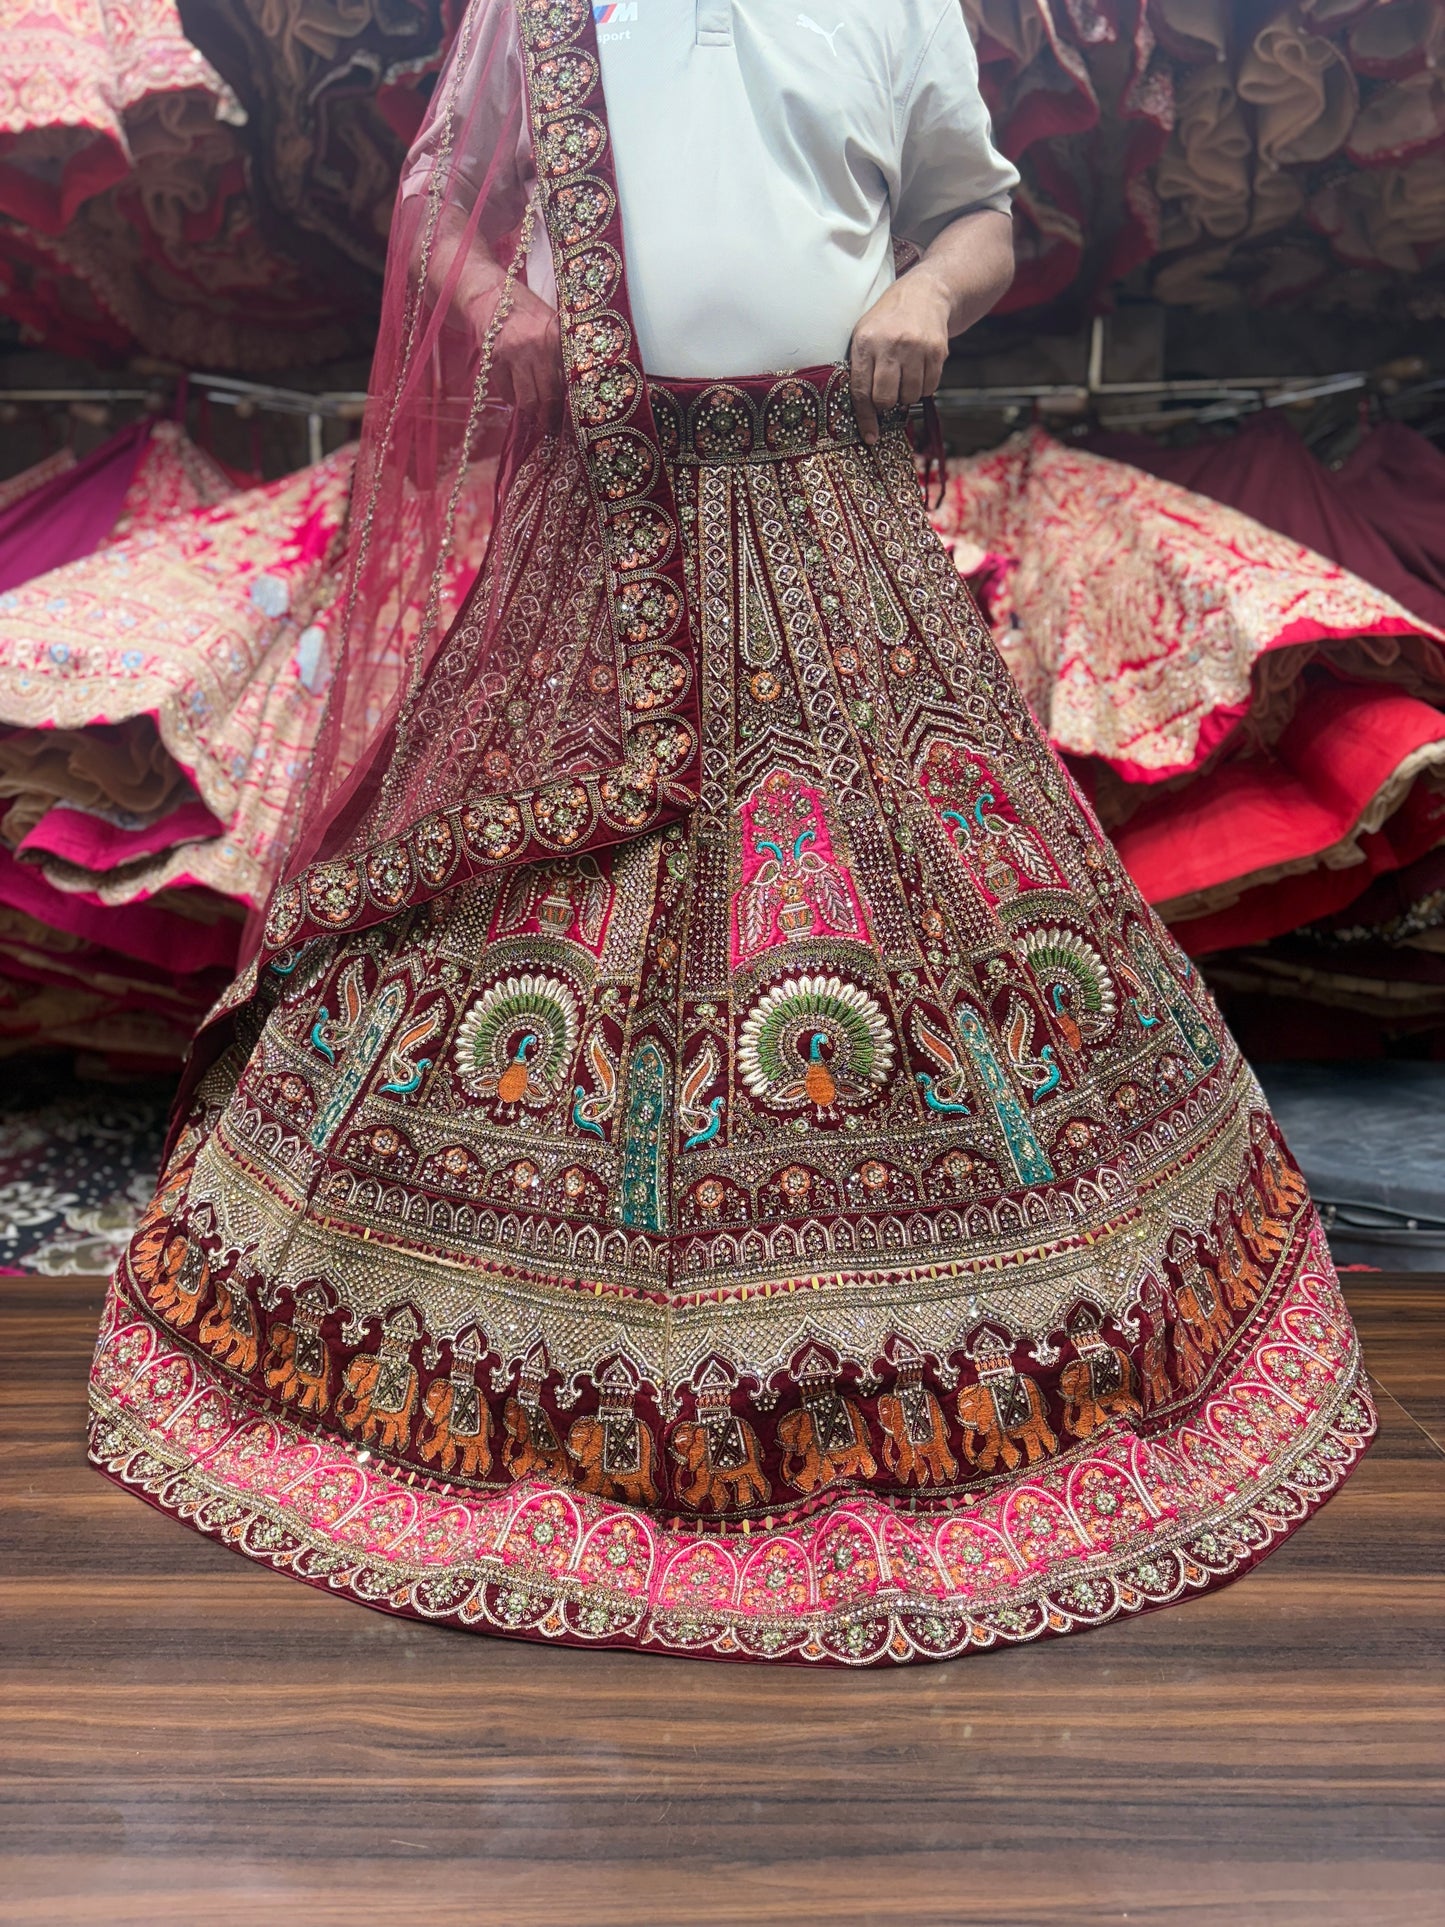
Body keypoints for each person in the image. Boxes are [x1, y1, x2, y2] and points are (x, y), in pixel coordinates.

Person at [89, 0, 1372, 1667]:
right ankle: (444, 1351)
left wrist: (921, 292)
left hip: (821, 503)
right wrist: (511, 316)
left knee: (920, 902)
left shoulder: (899, 4)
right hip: (604, 511)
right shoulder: (553, 8)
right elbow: (436, 203)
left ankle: (921, 1360)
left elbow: (974, 213)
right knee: (524, 906)